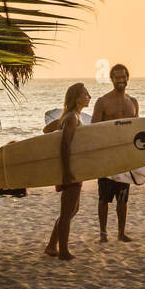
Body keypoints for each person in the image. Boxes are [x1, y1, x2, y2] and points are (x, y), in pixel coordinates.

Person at [92, 64, 138, 243]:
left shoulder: (133, 102)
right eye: (117, 77)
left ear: (128, 78)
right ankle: (103, 233)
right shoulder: (103, 102)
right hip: (107, 157)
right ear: (111, 79)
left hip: (125, 157)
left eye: (123, 77)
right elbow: (94, 129)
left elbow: (137, 130)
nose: (121, 80)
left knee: (123, 198)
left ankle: (121, 233)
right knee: (104, 197)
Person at [44, 82, 90, 260]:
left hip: (72, 167)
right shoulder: (72, 118)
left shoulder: (70, 116)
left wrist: (59, 123)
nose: (89, 97)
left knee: (72, 210)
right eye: (86, 94)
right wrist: (66, 171)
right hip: (70, 169)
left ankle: (51, 246)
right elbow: (65, 145)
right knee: (67, 212)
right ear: (76, 98)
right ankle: (62, 251)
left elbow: (46, 130)